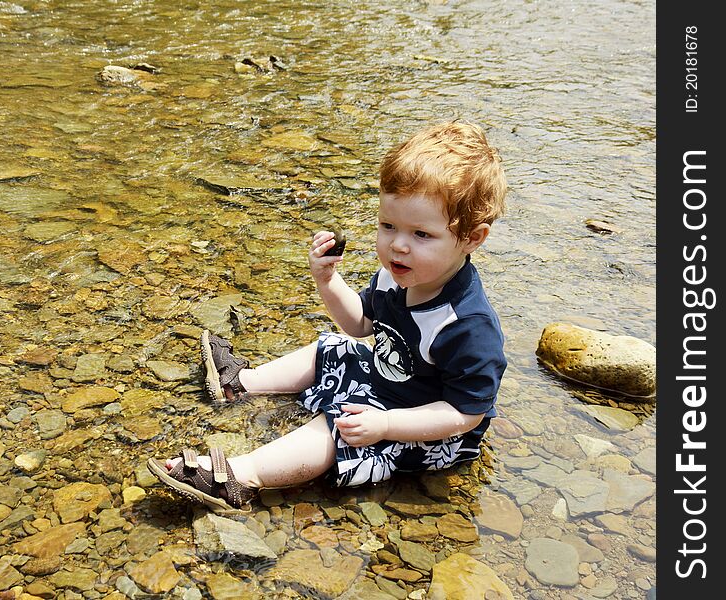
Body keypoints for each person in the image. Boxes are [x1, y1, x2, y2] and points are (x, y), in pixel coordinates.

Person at [148, 121, 509, 513]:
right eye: (388, 226)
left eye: (421, 234)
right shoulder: (395, 275)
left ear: (473, 238)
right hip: (388, 380)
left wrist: (386, 426)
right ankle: (240, 384)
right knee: (334, 346)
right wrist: (327, 280)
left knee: (339, 426)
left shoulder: (466, 325)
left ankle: (240, 476)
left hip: (426, 428)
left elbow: (466, 414)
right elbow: (360, 325)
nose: (397, 245)